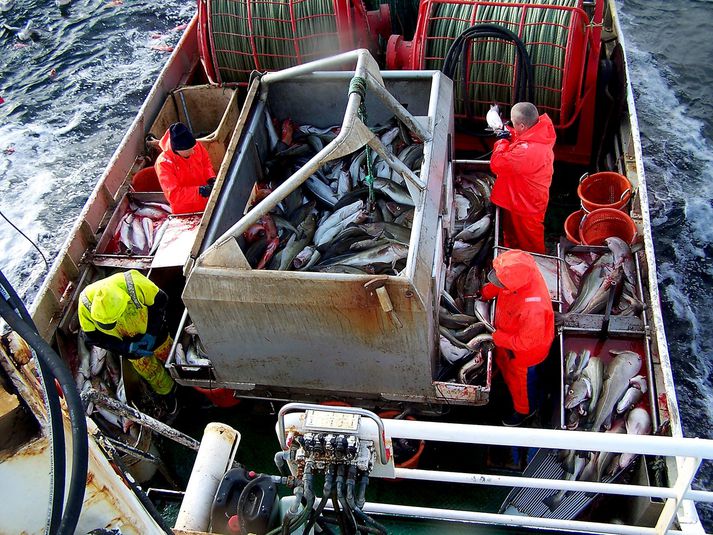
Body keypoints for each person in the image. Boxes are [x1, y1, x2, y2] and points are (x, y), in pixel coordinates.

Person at [480, 249, 554, 426]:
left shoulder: (533, 309)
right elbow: (502, 280)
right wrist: (485, 293)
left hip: (525, 356)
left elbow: (526, 342)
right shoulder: (520, 272)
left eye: (501, 281)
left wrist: (497, 338)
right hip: (507, 339)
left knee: (523, 389)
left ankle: (524, 413)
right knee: (506, 367)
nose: (499, 281)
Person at [78, 269, 174, 396]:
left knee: (171, 356)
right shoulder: (85, 303)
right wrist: (127, 347)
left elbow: (161, 301)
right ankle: (170, 392)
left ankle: (185, 380)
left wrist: (152, 332)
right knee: (151, 372)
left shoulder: (134, 282)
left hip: (155, 334)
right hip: (130, 348)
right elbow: (93, 338)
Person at [490, 102, 556, 254]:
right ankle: (513, 258)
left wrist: (502, 140)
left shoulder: (528, 151)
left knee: (532, 246)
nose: (512, 126)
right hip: (520, 199)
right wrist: (507, 132)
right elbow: (521, 138)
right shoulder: (540, 132)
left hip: (527, 206)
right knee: (512, 235)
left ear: (522, 126)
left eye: (513, 123)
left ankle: (537, 268)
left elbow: (497, 164)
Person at [155, 122, 216, 214]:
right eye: (189, 150)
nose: (193, 152)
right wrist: (199, 191)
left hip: (207, 201)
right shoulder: (163, 164)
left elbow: (206, 163)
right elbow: (174, 195)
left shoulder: (195, 146)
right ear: (177, 150)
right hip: (185, 211)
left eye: (193, 148)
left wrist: (211, 178)